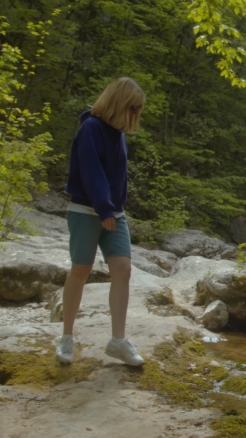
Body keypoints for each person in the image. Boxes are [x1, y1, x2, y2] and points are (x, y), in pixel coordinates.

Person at [55, 77, 146, 367]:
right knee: (80, 271)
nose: (136, 114)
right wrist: (104, 210)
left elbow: (118, 177)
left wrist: (113, 210)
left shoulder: (118, 133)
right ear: (120, 103)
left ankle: (118, 341)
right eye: (134, 107)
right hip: (86, 211)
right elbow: (91, 172)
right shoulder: (91, 129)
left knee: (123, 269)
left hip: (114, 214)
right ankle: (66, 336)